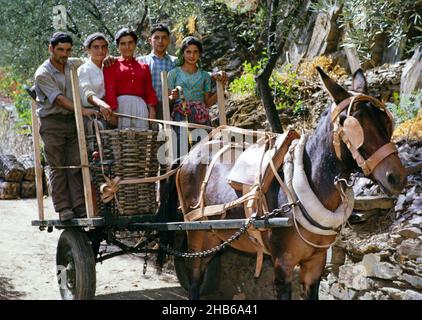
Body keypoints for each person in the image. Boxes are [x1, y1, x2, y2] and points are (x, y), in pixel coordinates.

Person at [34, 32, 96, 221]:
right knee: (58, 166)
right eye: (60, 49)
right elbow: (58, 100)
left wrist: (108, 60)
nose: (64, 54)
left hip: (72, 121)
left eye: (68, 50)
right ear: (51, 49)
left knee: (76, 164)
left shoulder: (73, 64)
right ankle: (63, 208)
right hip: (52, 123)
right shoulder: (42, 73)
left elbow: (92, 60)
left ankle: (79, 206)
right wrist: (82, 111)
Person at [103, 28, 157, 130]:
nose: (127, 47)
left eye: (130, 43)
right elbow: (110, 90)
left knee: (141, 141)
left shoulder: (144, 67)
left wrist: (152, 111)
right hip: (121, 107)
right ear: (118, 46)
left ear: (135, 44)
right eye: (123, 44)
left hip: (140, 107)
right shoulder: (111, 65)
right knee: (122, 140)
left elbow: (149, 91)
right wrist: (113, 112)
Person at [138, 24, 177, 120]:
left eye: (164, 38)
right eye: (156, 38)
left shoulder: (175, 62)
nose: (160, 41)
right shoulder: (141, 61)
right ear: (150, 40)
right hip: (148, 107)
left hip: (171, 107)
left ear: (168, 40)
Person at [77, 32, 114, 127]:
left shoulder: (108, 67)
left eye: (104, 47)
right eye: (96, 47)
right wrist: (101, 103)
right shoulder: (84, 69)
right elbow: (87, 92)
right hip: (92, 114)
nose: (100, 50)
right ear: (88, 50)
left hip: (110, 112)